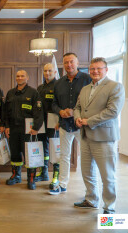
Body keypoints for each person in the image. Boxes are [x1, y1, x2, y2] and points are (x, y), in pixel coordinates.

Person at [73, 57, 125, 214]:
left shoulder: (115, 87)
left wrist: (88, 121)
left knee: (107, 175)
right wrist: (77, 118)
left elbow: (112, 111)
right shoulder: (85, 89)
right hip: (85, 137)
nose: (95, 71)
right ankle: (91, 199)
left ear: (106, 70)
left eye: (99, 68)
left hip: (104, 138)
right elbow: (77, 107)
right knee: (87, 171)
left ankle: (109, 207)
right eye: (92, 69)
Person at [49, 53, 91, 195]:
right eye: (66, 62)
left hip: (82, 126)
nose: (69, 65)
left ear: (77, 62)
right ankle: (62, 185)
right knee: (64, 156)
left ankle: (90, 190)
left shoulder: (88, 79)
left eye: (71, 62)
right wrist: (60, 112)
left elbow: (93, 102)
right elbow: (53, 104)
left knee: (87, 157)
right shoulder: (58, 83)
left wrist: (76, 112)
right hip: (64, 126)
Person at [4, 70, 43, 190]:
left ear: (27, 78)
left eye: (22, 76)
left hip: (28, 129)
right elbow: (5, 112)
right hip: (13, 129)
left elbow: (38, 112)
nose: (20, 78)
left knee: (29, 154)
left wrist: (36, 127)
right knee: (15, 153)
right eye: (18, 76)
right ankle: (16, 175)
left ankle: (31, 178)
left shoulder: (33, 93)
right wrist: (6, 126)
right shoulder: (10, 93)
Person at [36, 63, 59, 186]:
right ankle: (43, 172)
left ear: (55, 72)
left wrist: (60, 121)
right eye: (45, 71)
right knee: (42, 146)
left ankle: (56, 176)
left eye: (50, 71)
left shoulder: (58, 86)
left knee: (55, 148)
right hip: (41, 121)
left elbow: (61, 104)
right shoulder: (40, 88)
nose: (47, 73)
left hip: (53, 121)